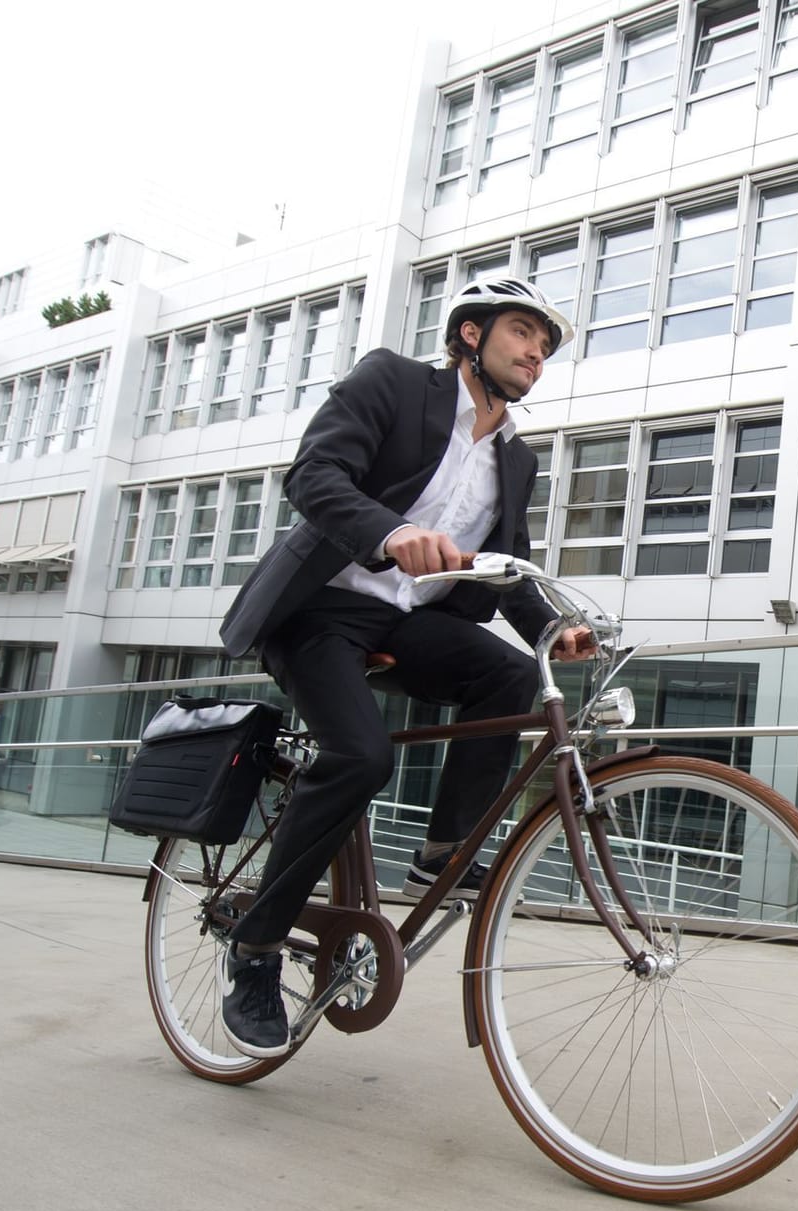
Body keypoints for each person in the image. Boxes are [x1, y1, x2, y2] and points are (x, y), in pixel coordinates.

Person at [214, 278, 595, 1058]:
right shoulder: (391, 380)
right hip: (319, 607)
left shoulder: (515, 461)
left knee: (512, 678)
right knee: (359, 756)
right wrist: (390, 533)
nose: (536, 352)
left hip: (409, 619)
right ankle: (254, 950)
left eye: (546, 345)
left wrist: (555, 627)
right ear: (469, 336)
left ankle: (442, 858)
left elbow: (503, 566)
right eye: (523, 332)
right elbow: (313, 477)